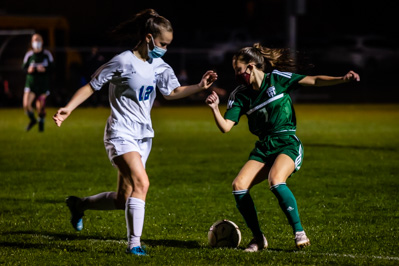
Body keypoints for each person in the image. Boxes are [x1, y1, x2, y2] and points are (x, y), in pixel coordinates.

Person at [53, 9, 217, 256]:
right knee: (142, 182)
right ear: (149, 38)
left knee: (123, 199)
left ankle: (79, 205)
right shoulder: (122, 61)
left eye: (169, 45)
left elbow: (171, 93)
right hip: (120, 132)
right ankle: (135, 244)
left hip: (143, 136)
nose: (165, 49)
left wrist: (198, 86)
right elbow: (91, 85)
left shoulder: (160, 65)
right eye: (163, 43)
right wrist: (68, 108)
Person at [205, 43, 360, 252]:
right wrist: (215, 109)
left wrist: (342, 79)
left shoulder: (277, 79)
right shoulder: (240, 95)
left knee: (276, 180)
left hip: (287, 142)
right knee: (239, 185)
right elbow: (225, 127)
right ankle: (258, 239)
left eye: (238, 70)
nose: (236, 75)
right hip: (264, 147)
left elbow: (313, 80)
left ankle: (299, 232)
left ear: (251, 67)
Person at [22, 33, 54, 132]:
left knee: (40, 107)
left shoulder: (47, 54)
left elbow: (53, 68)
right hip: (31, 84)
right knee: (26, 105)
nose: (36, 42)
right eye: (34, 40)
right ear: (31, 43)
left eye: (38, 39)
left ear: (42, 41)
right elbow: (23, 68)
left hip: (42, 85)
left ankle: (41, 126)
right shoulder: (29, 55)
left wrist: (45, 69)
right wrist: (29, 70)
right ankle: (33, 120)